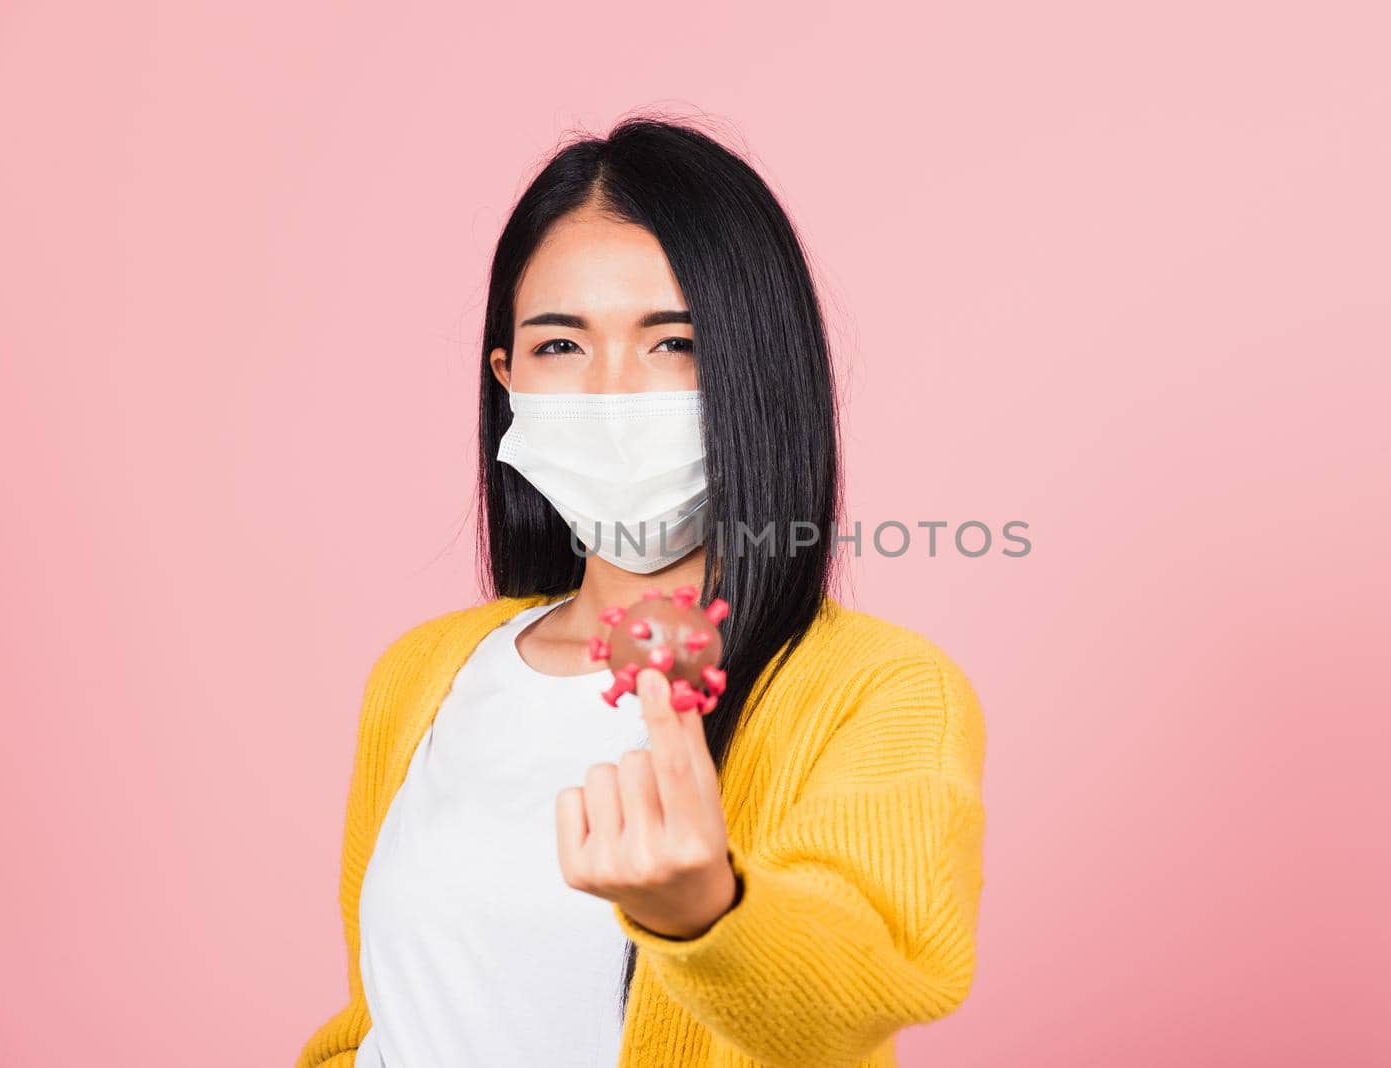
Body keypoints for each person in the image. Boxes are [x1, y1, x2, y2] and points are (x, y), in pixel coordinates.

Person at [296, 115, 987, 1068]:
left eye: (673, 344)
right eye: (561, 348)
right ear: (508, 381)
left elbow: (868, 989)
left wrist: (707, 910)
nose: (613, 393)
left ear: (758, 372)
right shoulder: (422, 676)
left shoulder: (880, 688)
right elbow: (384, 1019)